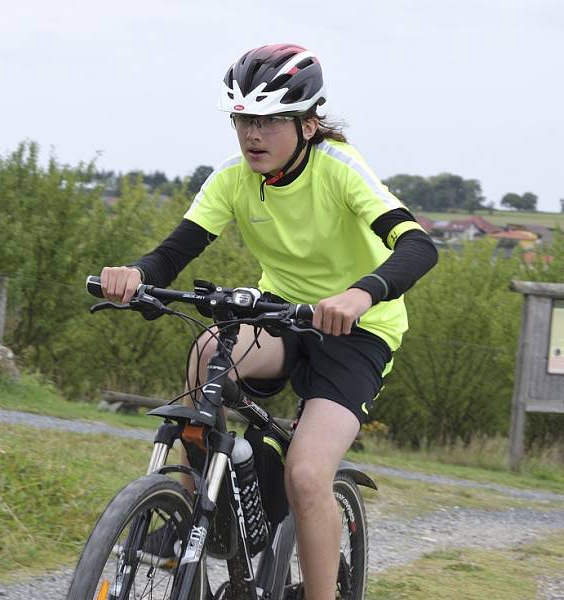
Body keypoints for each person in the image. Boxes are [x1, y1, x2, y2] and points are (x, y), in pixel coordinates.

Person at [99, 43, 438, 599]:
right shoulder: (233, 179)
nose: (252, 134)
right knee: (210, 349)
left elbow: (418, 246)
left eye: (268, 120)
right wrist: (134, 274)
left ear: (306, 125)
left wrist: (361, 293)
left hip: (359, 331)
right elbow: (173, 252)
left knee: (307, 476)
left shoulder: (341, 169)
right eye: (242, 119)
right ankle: (189, 500)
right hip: (280, 312)